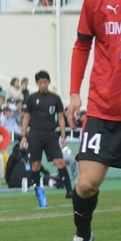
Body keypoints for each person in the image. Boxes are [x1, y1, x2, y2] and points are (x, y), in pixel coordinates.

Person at [62, 0, 121, 241]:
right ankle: (83, 235)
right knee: (86, 184)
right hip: (104, 108)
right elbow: (82, 46)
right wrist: (74, 94)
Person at [19, 71, 72, 199]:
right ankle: (38, 190)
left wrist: (63, 135)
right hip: (35, 134)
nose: (43, 84)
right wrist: (24, 135)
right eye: (40, 82)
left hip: (51, 134)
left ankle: (69, 190)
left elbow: (60, 117)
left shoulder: (55, 98)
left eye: (45, 82)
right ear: (37, 83)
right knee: (36, 164)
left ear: (48, 82)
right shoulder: (31, 98)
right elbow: (26, 117)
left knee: (60, 162)